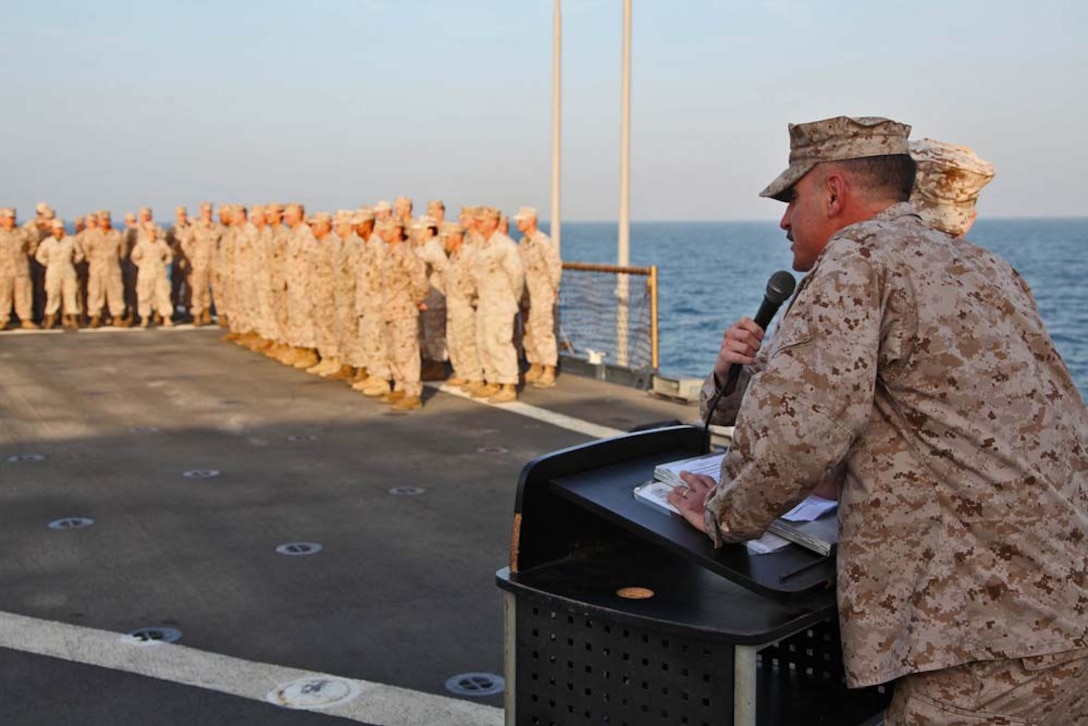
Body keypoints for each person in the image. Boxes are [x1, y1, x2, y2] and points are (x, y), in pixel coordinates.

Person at [667, 116, 1088, 725]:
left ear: (834, 193)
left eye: (792, 199)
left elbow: (798, 436)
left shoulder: (856, 262)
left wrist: (722, 513)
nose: (784, 221)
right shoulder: (988, 268)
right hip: (1057, 609)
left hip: (985, 638)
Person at [470, 206, 524, 403]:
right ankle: (492, 381)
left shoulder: (504, 246)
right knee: (484, 343)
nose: (476, 224)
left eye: (481, 221)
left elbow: (517, 276)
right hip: (486, 302)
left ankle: (508, 385)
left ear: (493, 222)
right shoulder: (483, 245)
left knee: (501, 344)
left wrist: (511, 300)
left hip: (501, 303)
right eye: (475, 220)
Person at [514, 207, 562, 388]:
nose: (518, 223)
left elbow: (554, 266)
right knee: (529, 331)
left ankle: (549, 369)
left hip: (541, 293)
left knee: (542, 331)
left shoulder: (543, 242)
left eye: (521, 220)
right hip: (527, 294)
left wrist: (553, 288)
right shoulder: (523, 243)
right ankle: (535, 365)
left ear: (531, 221)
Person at [35, 218, 84, 329]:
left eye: (61, 228)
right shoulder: (47, 242)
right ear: (52, 230)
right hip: (53, 269)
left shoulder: (70, 241)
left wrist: (74, 261)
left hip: (68, 269)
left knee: (70, 294)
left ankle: (73, 319)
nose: (59, 231)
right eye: (57, 229)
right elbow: (39, 256)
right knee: (52, 294)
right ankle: (50, 319)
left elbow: (80, 253)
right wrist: (48, 263)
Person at [0, 208, 40, 329]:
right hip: (3, 269)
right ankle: (2, 319)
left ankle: (26, 319)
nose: (11, 220)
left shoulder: (23, 232)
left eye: (12, 218)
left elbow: (33, 245)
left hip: (21, 269)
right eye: (8, 218)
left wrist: (26, 256)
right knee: (3, 295)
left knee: (24, 295)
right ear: (2, 219)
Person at [130, 223, 174, 328]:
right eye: (151, 231)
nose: (153, 233)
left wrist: (164, 263)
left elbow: (169, 255)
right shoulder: (142, 244)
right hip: (145, 274)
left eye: (154, 231)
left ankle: (166, 317)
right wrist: (143, 265)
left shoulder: (161, 243)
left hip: (159, 273)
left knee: (163, 295)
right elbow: (135, 256)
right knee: (144, 296)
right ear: (147, 232)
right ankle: (144, 318)